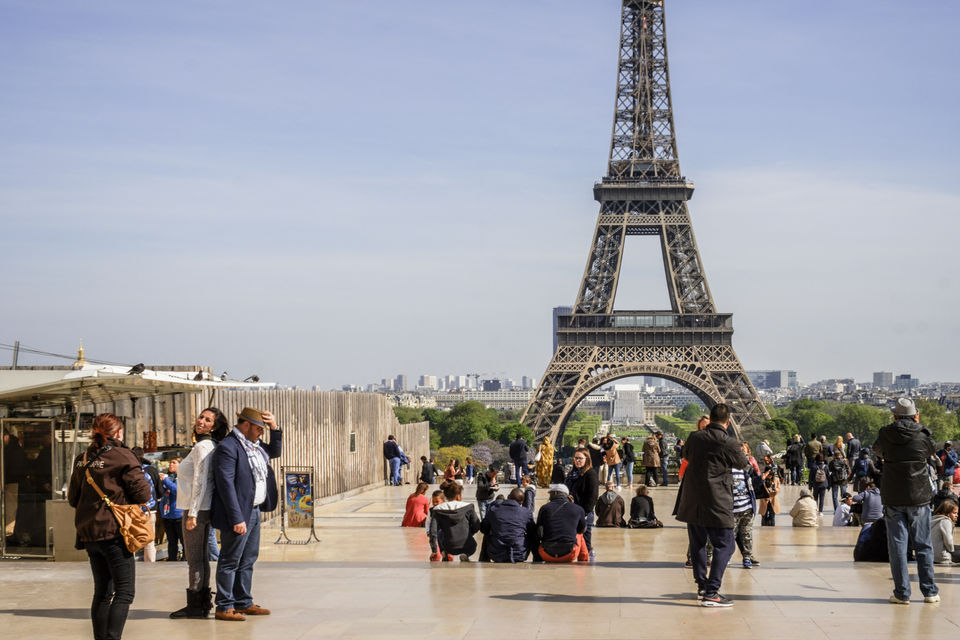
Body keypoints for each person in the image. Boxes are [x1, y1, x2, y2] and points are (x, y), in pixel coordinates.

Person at [68, 413, 151, 640]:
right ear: (118, 433)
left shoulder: (82, 458)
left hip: (89, 534)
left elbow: (72, 499)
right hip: (116, 532)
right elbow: (143, 493)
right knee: (124, 592)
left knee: (103, 593)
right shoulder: (124, 456)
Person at [211, 407, 282, 621]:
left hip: (254, 510)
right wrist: (236, 518)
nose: (262, 433)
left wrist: (274, 428)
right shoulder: (229, 447)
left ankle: (243, 602)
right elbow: (226, 486)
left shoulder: (255, 446)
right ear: (245, 425)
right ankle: (224, 606)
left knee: (248, 559)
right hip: (239, 514)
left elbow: (275, 452)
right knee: (230, 560)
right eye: (259, 428)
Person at [675, 403, 748, 607]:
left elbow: (687, 456)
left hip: (693, 499)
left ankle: (702, 584)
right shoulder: (729, 442)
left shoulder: (694, 437)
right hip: (718, 500)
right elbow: (742, 463)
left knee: (697, 543)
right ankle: (712, 591)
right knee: (726, 544)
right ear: (728, 420)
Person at [874, 398, 939, 604]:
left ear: (894, 415)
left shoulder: (885, 434)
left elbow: (877, 450)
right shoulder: (922, 435)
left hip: (893, 494)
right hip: (919, 494)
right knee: (923, 545)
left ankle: (902, 593)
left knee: (897, 546)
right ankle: (929, 592)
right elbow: (931, 450)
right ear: (915, 415)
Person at [169, 407, 229, 619]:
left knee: (194, 559)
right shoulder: (209, 445)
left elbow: (200, 482)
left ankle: (195, 604)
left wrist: (192, 514)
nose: (201, 421)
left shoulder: (203, 446)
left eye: (208, 420)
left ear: (215, 426)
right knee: (201, 558)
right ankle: (201, 602)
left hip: (197, 509)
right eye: (201, 417)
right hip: (202, 508)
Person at [479, 487, 537, 563]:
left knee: (488, 531)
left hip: (496, 554)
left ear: (508, 497)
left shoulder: (494, 510)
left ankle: (483, 559)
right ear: (522, 502)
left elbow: (483, 529)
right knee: (532, 534)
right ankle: (537, 558)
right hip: (519, 554)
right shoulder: (526, 512)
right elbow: (533, 532)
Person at [428, 481, 480, 561]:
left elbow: (433, 532)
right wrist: (469, 534)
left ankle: (444, 553)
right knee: (473, 546)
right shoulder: (469, 507)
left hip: (448, 546)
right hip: (467, 545)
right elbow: (477, 526)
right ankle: (466, 554)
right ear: (459, 496)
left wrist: (434, 550)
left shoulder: (437, 510)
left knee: (440, 532)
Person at [535, 484, 588, 562]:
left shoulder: (544, 508)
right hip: (570, 554)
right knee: (579, 534)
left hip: (546, 554)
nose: (549, 497)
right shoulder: (578, 509)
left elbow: (539, 533)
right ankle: (583, 560)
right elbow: (582, 530)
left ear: (555, 493)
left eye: (550, 494)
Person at [565, 447, 599, 561]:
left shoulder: (590, 474)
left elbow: (593, 496)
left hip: (584, 512)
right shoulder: (572, 474)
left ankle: (586, 558)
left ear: (587, 459)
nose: (577, 460)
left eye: (580, 458)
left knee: (585, 538)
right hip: (571, 511)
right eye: (575, 458)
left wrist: (584, 513)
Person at [130, 446, 162, 563]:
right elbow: (160, 491)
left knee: (132, 538)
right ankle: (150, 564)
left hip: (132, 510)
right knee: (149, 539)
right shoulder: (152, 470)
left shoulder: (129, 469)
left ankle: (131, 563)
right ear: (143, 456)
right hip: (150, 510)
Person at [731, 456, 758, 568]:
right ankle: (727, 556)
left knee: (747, 534)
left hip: (747, 508)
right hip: (733, 509)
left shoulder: (746, 471)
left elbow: (753, 486)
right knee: (731, 535)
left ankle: (747, 557)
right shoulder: (726, 472)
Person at [159, 459, 184, 561]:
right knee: (171, 541)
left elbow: (177, 491)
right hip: (167, 514)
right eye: (170, 462)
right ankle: (172, 559)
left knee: (183, 540)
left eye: (174, 462)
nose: (171, 464)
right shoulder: (167, 477)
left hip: (178, 514)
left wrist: (165, 480)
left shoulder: (181, 478)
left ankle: (185, 559)